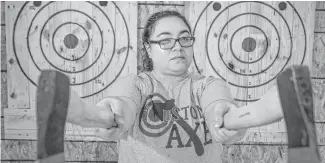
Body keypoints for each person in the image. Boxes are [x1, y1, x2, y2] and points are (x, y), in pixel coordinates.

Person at [66, 11, 249, 163]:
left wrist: (227, 121)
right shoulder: (136, 85)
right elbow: (122, 107)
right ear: (148, 47)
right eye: (165, 40)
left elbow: (217, 107)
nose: (178, 47)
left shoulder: (208, 85)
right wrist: (102, 117)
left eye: (184, 38)